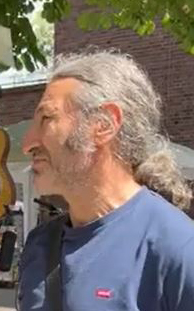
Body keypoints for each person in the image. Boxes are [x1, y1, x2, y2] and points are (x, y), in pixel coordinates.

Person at [19, 50, 194, 310]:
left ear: (103, 125)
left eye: (47, 118)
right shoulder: (39, 244)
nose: (27, 144)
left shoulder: (178, 248)